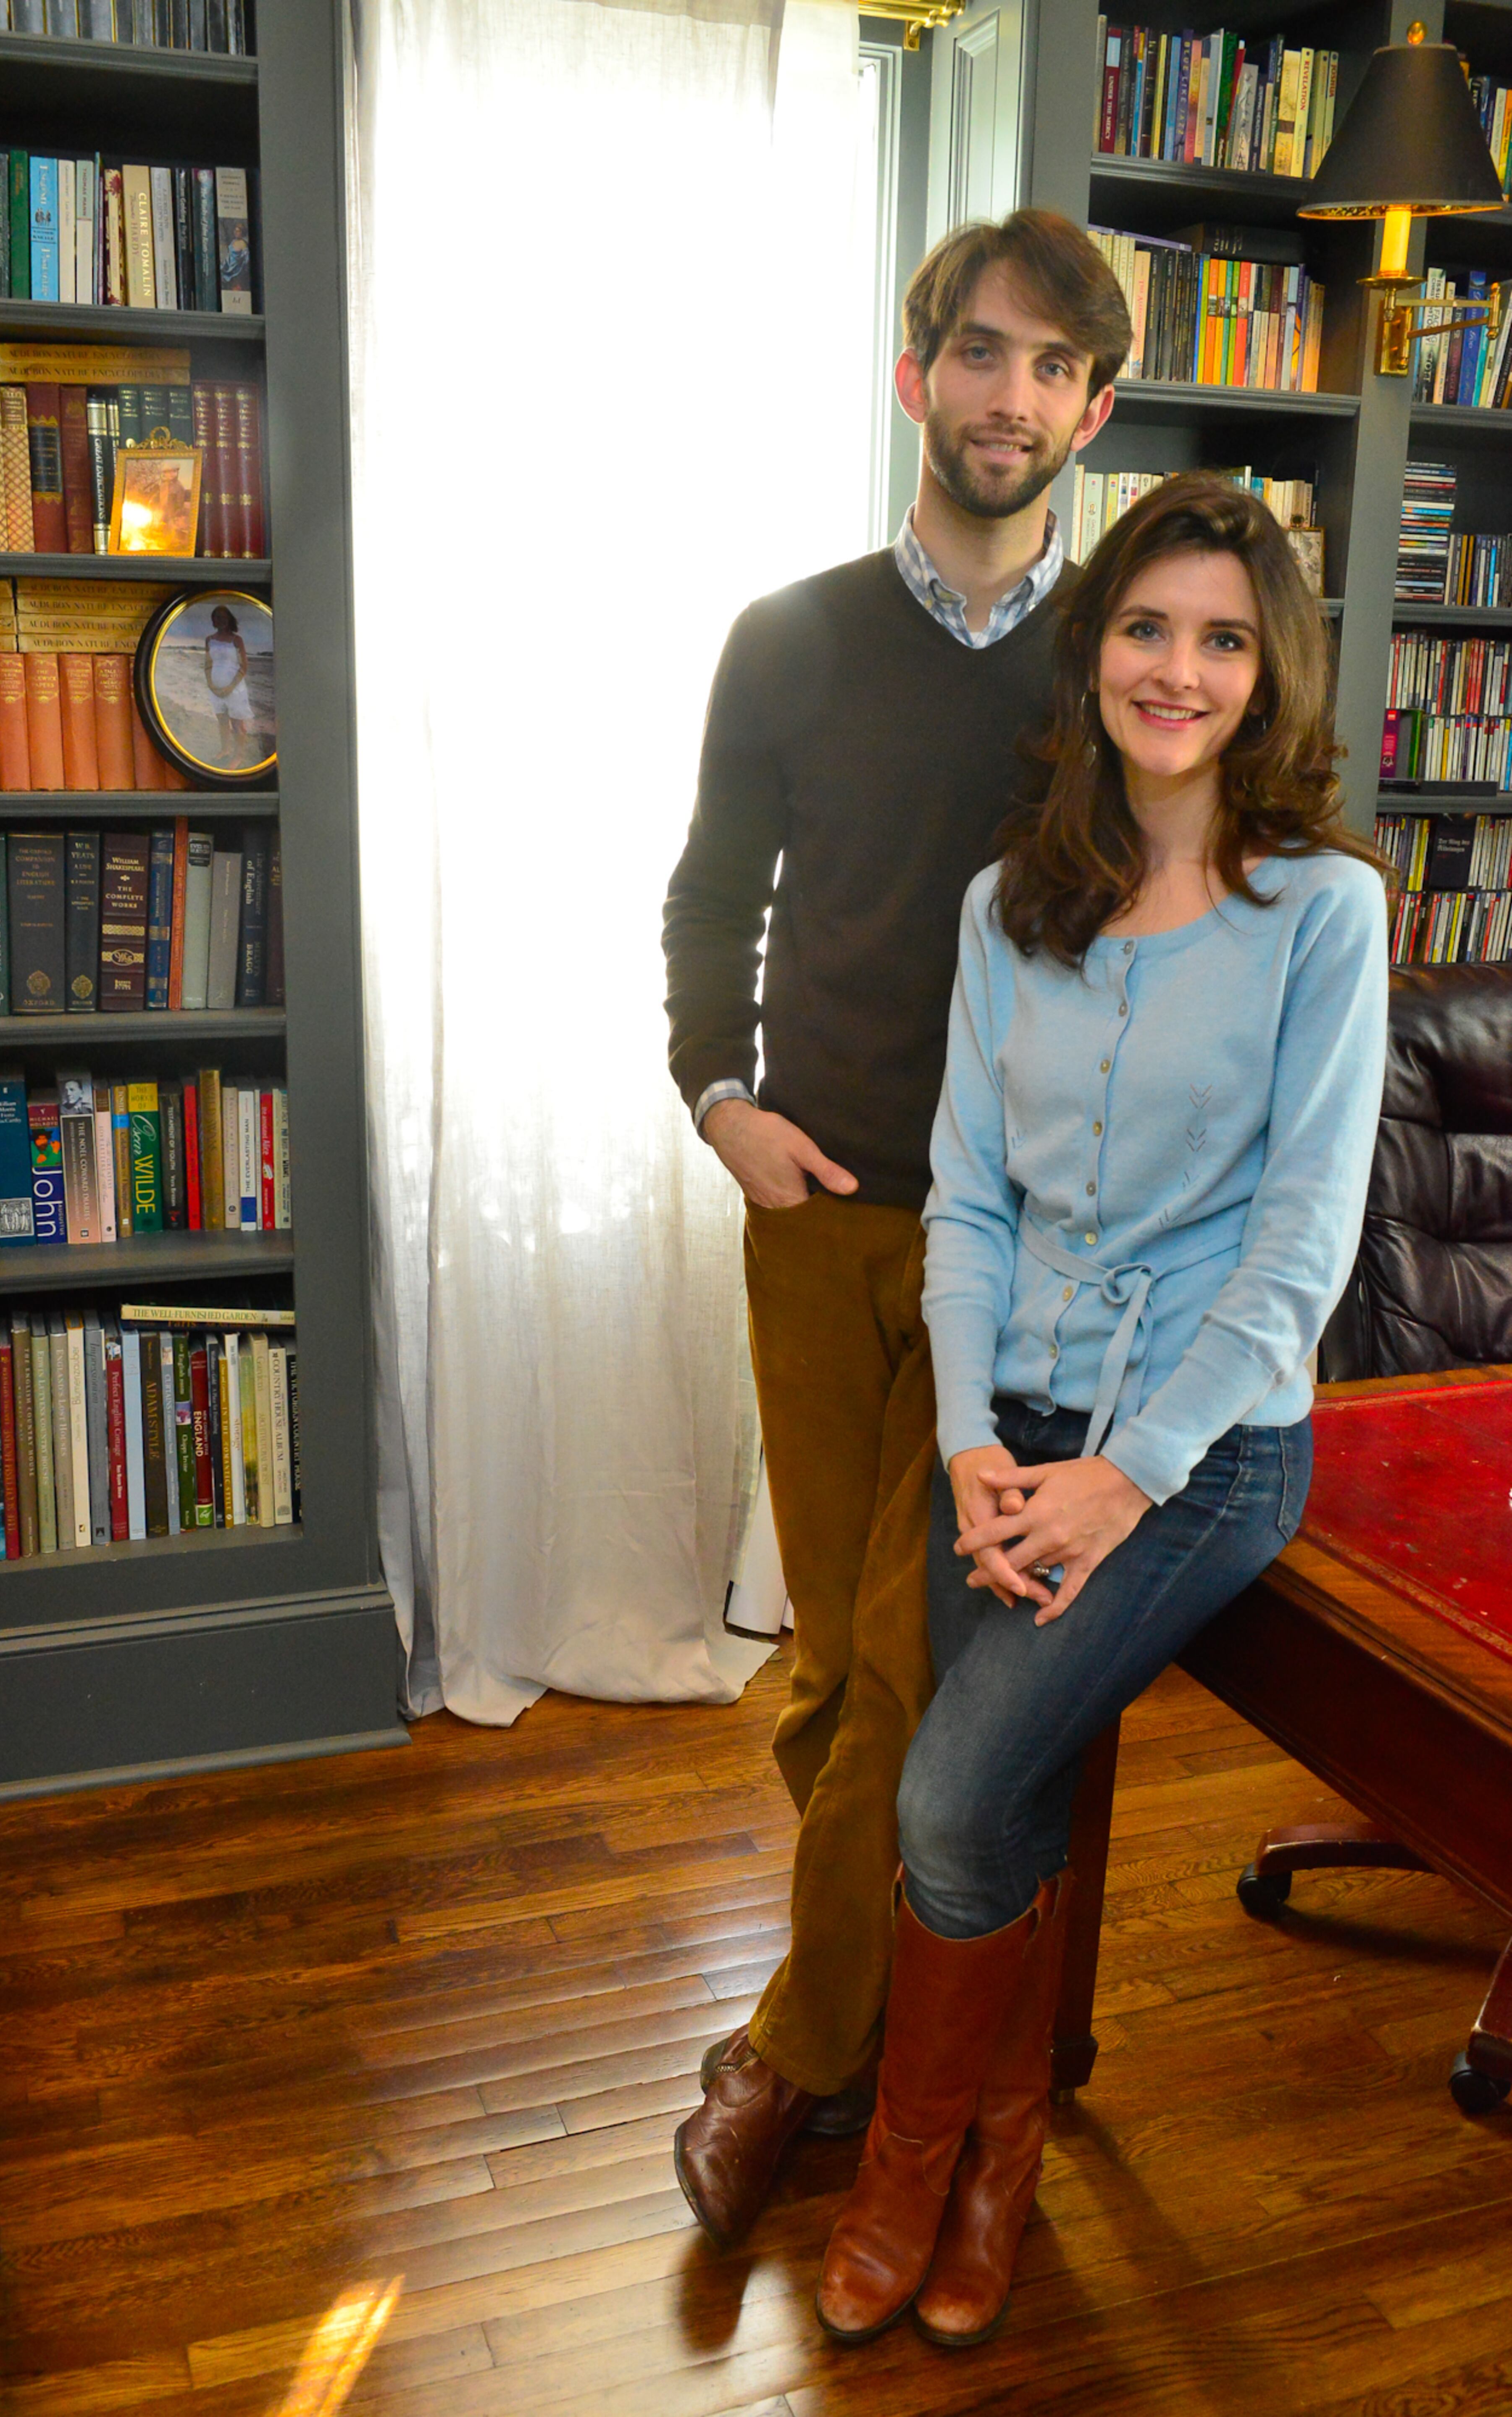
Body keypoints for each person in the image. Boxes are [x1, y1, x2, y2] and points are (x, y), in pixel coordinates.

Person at [814, 472, 1392, 2347]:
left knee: (955, 1787)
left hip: (1205, 1457)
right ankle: (997, 2146)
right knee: (1011, 1784)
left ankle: (921, 2157)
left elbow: (1299, 1252)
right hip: (1012, 1435)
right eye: (1150, 625)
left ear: (1268, 674)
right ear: (1097, 647)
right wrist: (979, 1437)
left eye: (1224, 637)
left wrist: (1121, 1478)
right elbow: (967, 1197)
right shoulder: (1013, 905)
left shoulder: (1323, 911)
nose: (1179, 668)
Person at [661, 210, 1128, 2251]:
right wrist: (718, 1096)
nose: (1009, 393)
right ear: (915, 371)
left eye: (1052, 366)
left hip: (1011, 1247)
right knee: (837, 1677)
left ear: (1092, 411)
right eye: (981, 351)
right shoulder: (788, 633)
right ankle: (890, 1998)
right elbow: (709, 896)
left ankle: (795, 2051)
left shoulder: (1131, 659)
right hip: (816, 1205)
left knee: (909, 1659)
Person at [204, 604, 253, 760]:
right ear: (213, 620)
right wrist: (212, 686)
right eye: (217, 617)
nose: (221, 620)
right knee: (223, 722)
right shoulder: (209, 640)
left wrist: (230, 688)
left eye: (224, 617)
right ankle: (225, 750)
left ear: (229, 619)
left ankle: (239, 757)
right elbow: (208, 665)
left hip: (235, 690)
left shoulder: (237, 640)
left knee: (238, 725)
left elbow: (244, 667)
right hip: (216, 690)